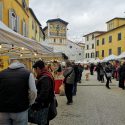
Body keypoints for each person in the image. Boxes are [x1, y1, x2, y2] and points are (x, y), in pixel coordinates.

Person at [0, 60, 37, 125]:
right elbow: (33, 92)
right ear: (21, 65)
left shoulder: (1, 73)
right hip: (20, 110)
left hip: (3, 110)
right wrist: (30, 102)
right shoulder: (28, 74)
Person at [32, 60, 55, 125]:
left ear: (38, 68)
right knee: (43, 121)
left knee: (43, 121)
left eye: (35, 69)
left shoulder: (45, 77)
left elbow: (44, 94)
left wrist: (36, 102)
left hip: (44, 105)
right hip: (45, 104)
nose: (35, 71)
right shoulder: (47, 74)